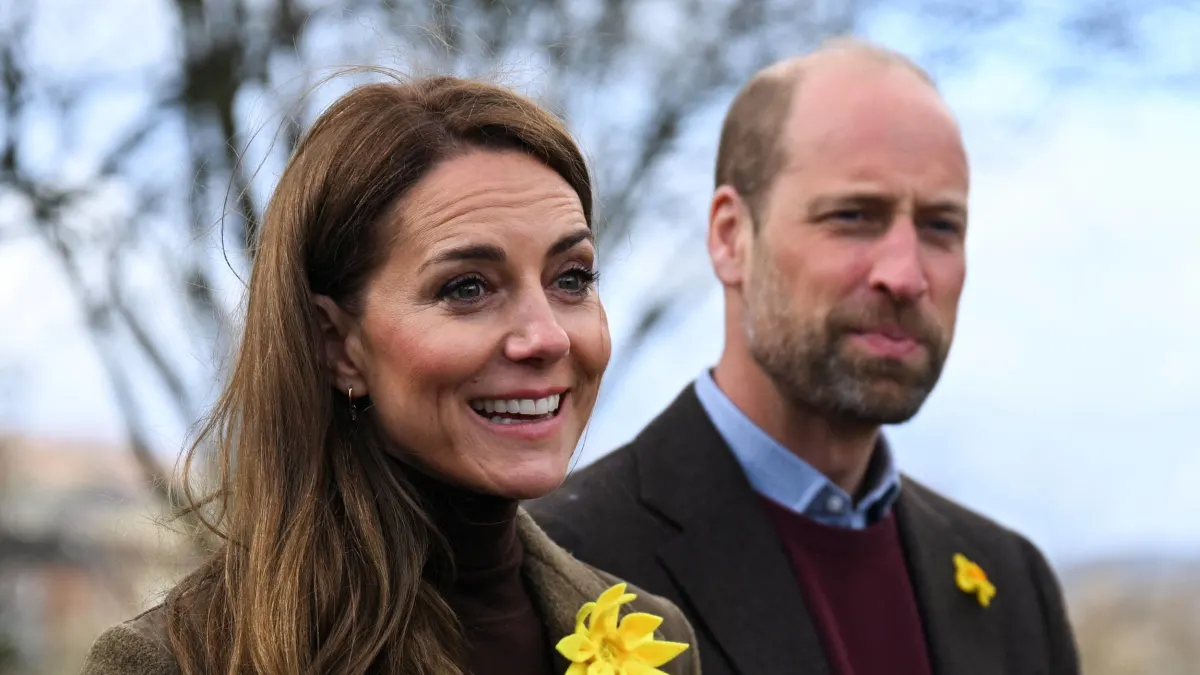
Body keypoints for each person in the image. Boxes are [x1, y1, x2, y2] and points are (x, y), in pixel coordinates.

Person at [81, 75, 700, 675]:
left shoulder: (654, 636)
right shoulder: (177, 662)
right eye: (467, 288)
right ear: (338, 346)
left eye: (571, 278)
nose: (547, 336)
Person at [529, 39, 1080, 675]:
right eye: (853, 215)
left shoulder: (1013, 586)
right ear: (731, 237)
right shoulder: (559, 566)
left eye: (940, 227)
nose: (905, 275)